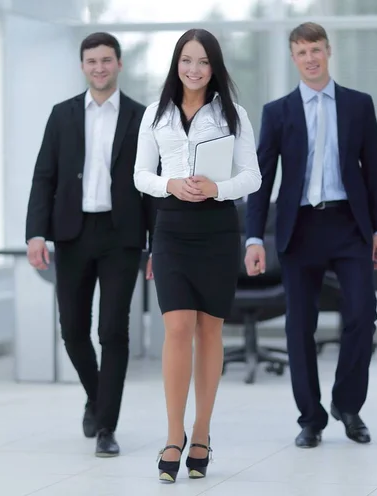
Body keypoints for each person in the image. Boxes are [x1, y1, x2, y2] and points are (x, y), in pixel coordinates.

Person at [245, 22, 377, 449]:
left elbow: (375, 171)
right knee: (299, 327)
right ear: (294, 58)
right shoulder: (278, 112)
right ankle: (311, 417)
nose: (310, 58)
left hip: (349, 225)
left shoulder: (358, 105)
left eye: (316, 49)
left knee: (363, 314)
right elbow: (261, 180)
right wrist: (254, 238)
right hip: (300, 228)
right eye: (302, 52)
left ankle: (348, 406)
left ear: (329, 51)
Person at [133, 28, 261, 483]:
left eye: (203, 61)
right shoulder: (156, 114)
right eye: (187, 60)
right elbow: (140, 175)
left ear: (214, 67)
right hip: (170, 229)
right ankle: (174, 434)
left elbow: (253, 177)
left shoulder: (233, 115)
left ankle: (202, 431)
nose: (194, 69)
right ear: (176, 64)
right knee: (177, 327)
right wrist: (170, 184)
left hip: (216, 229)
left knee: (209, 331)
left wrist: (216, 188)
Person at [25, 32, 155, 457]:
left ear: (119, 63)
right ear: (83, 66)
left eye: (106, 60)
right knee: (74, 331)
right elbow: (44, 176)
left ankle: (106, 426)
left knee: (113, 331)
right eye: (91, 61)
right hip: (72, 235)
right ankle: (98, 396)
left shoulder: (141, 117)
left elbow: (152, 186)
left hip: (122, 237)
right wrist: (35, 233)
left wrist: (157, 246)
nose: (99, 67)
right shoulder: (61, 115)